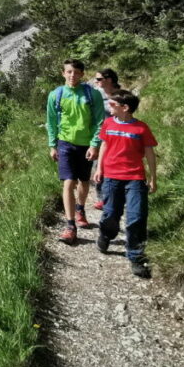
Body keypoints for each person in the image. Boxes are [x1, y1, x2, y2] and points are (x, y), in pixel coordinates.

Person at [93, 89, 158, 279]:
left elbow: (149, 154)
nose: (109, 107)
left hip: (135, 177)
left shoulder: (141, 128)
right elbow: (104, 145)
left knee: (137, 216)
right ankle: (106, 234)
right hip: (112, 176)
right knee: (111, 213)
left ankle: (136, 256)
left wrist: (153, 178)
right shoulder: (108, 123)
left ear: (125, 108)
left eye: (112, 104)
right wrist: (99, 168)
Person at [46, 58, 105, 244]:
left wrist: (95, 144)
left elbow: (99, 121)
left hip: (86, 144)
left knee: (84, 181)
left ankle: (80, 208)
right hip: (65, 144)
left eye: (76, 72)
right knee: (68, 182)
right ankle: (70, 226)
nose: (72, 75)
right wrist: (52, 145)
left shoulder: (92, 95)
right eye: (69, 72)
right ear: (63, 73)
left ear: (82, 74)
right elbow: (52, 122)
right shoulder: (55, 95)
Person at [92, 68, 121, 209]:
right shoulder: (98, 95)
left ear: (109, 80)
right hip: (101, 135)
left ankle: (116, 194)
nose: (96, 82)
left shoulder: (121, 95)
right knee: (99, 165)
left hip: (118, 136)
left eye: (99, 79)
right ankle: (102, 198)